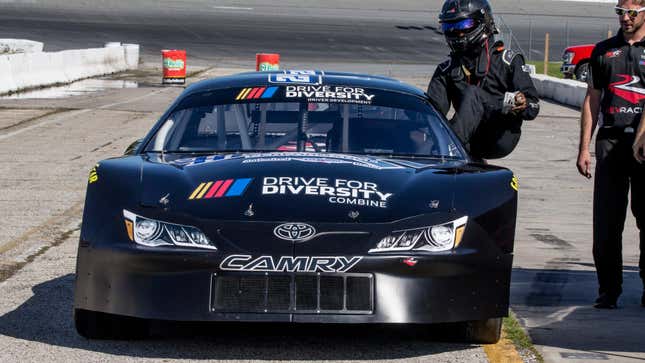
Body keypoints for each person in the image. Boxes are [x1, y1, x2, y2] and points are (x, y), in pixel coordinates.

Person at [576, 0, 645, 309]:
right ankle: (608, 289)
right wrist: (583, 149)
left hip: (644, 145)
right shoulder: (603, 50)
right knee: (606, 223)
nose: (626, 18)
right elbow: (592, 100)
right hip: (610, 143)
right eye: (621, 12)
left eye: (632, 12)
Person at [427, 0, 540, 160]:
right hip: (468, 137)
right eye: (449, 27)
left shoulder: (507, 60)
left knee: (474, 94)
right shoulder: (446, 69)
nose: (456, 32)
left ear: (483, 22)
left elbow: (533, 107)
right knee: (426, 115)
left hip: (500, 135)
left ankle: (448, 150)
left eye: (462, 25)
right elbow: (432, 113)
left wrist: (522, 104)